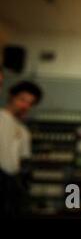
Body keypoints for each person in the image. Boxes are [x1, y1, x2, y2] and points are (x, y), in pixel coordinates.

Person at [0, 80, 43, 217]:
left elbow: (23, 160)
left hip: (11, 182)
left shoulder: (24, 131)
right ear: (12, 96)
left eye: (30, 103)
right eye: (22, 99)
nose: (25, 106)